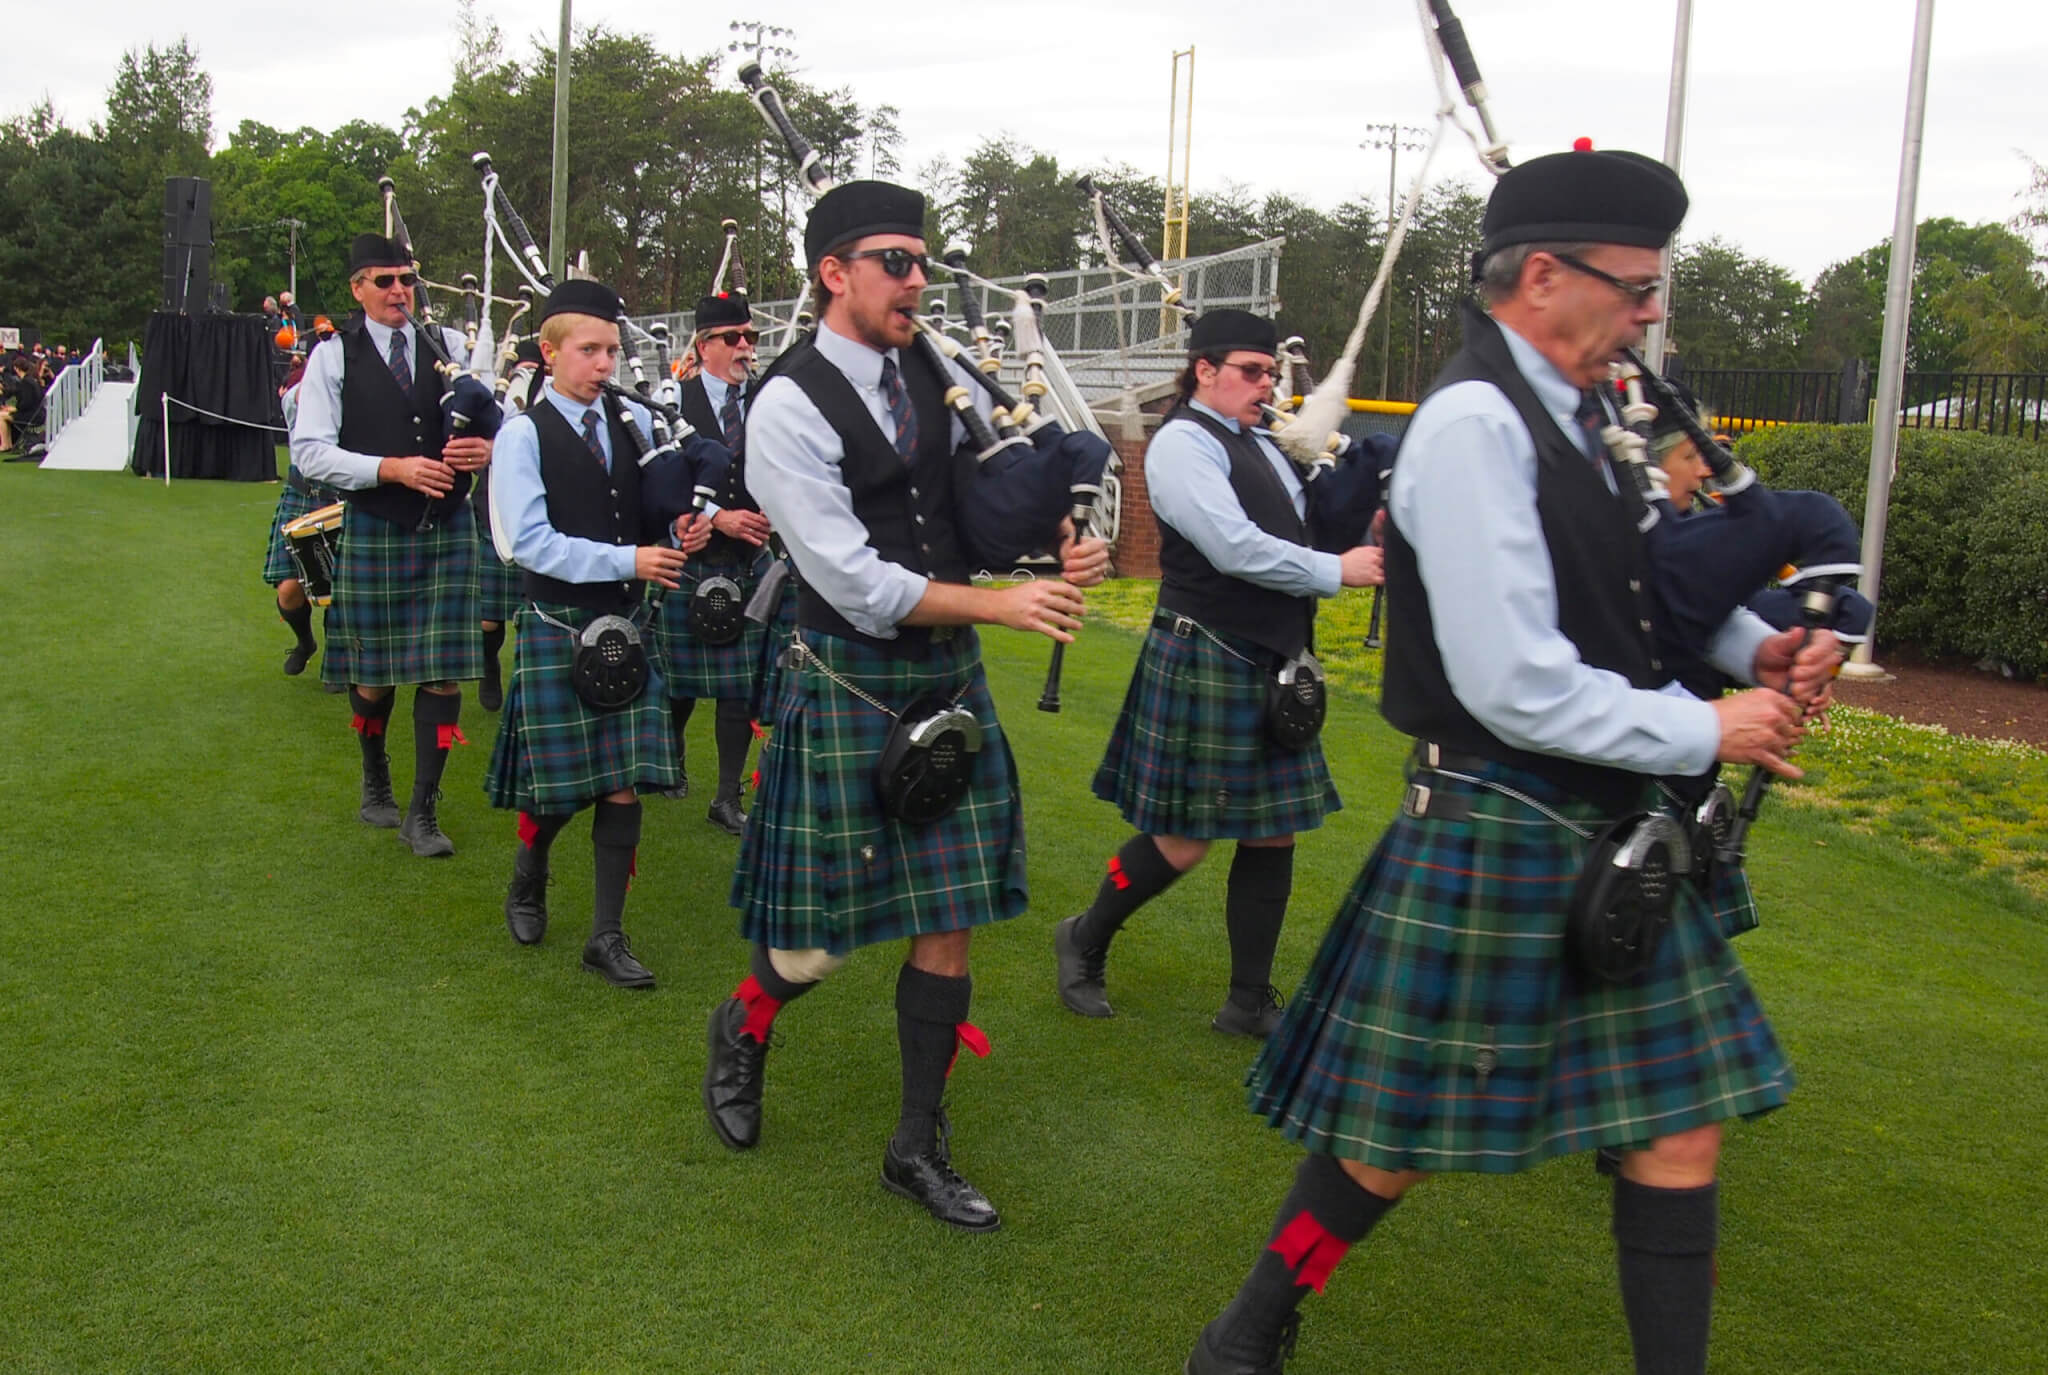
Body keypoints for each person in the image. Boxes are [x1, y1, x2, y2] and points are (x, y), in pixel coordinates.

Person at [1182, 146, 1843, 1375]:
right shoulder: (1473, 425)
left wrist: (1757, 651)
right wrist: (1710, 729)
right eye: (1634, 287)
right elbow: (1513, 680)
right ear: (1542, 275)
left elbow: (1645, 591)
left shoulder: (1590, 415)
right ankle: (1242, 1336)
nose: (1648, 314)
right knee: (1388, 1141)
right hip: (1497, 810)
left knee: (1676, 1129)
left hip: (1602, 816)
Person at [698, 179, 1110, 1231]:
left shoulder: (933, 371)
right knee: (816, 942)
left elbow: (971, 509)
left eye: (923, 261)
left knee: (947, 919)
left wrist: (1054, 542)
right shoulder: (785, 404)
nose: (916, 280)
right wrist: (1005, 605)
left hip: (944, 677)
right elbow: (851, 580)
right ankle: (744, 1023)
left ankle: (914, 1146)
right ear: (833, 273)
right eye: (894, 261)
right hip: (847, 677)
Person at [1056, 310, 1384, 1038]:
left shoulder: (1263, 441)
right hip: (1207, 651)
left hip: (1271, 658)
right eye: (1250, 371)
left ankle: (1248, 1000)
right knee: (1183, 838)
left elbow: (1301, 528)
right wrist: (1337, 570)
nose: (1265, 386)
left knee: (1274, 831)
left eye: (1271, 373)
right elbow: (1235, 547)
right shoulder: (1182, 445)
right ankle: (1084, 934)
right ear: (1204, 369)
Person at [484, 279, 710, 987]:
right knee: (556, 792)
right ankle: (531, 868)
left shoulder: (628, 427)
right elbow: (529, 544)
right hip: (559, 624)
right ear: (550, 353)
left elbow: (639, 516)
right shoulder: (521, 435)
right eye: (589, 350)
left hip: (627, 627)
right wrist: (631, 559)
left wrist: (673, 531)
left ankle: (605, 936)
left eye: (611, 349)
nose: (605, 363)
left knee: (621, 786)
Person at [291, 233, 490, 858]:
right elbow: (309, 450)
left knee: (442, 677)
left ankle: (423, 812)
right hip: (377, 526)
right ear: (358, 288)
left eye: (406, 278)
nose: (399, 290)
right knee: (373, 679)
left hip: (448, 528)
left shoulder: (448, 347)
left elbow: (497, 424)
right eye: (384, 280)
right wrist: (393, 469)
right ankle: (375, 772)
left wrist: (487, 449)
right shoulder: (333, 357)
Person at [654, 290, 768, 833]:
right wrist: (718, 516)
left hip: (749, 562)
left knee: (738, 687)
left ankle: (726, 796)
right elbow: (656, 472)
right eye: (732, 338)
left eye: (750, 337)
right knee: (677, 682)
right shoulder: (673, 396)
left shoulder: (769, 399)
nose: (744, 347)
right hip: (695, 553)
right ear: (703, 347)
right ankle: (670, 757)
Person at [263, 344, 339, 675]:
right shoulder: (296, 395)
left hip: (342, 497)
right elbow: (296, 397)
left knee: (343, 588)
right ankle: (305, 641)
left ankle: (341, 661)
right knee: (290, 588)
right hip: (303, 494)